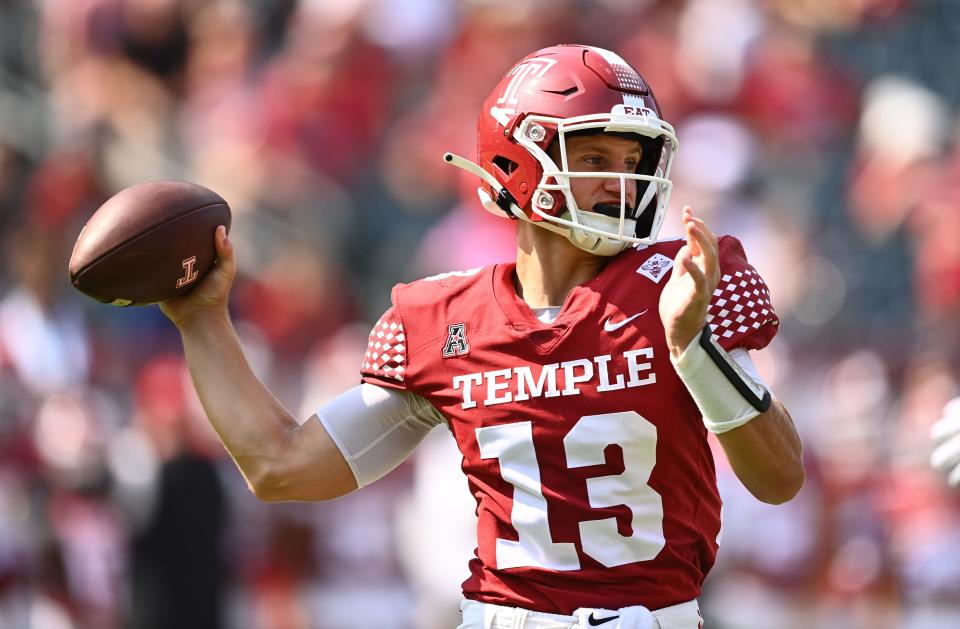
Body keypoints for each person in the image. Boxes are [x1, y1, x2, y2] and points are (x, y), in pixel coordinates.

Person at [160, 44, 804, 629]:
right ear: (518, 161)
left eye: (633, 159)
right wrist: (201, 320)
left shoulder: (679, 285)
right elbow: (281, 467)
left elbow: (780, 479)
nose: (622, 180)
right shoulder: (442, 320)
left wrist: (696, 348)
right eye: (595, 157)